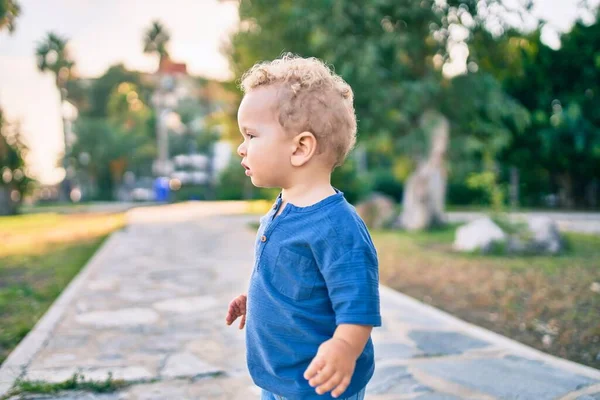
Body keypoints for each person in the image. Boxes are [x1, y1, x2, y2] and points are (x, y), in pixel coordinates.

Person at [225, 54, 381, 400]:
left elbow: (360, 307)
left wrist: (344, 348)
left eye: (251, 135)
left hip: (320, 384)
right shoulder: (284, 207)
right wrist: (259, 298)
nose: (241, 147)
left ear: (300, 148)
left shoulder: (338, 228)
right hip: (280, 376)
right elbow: (299, 281)